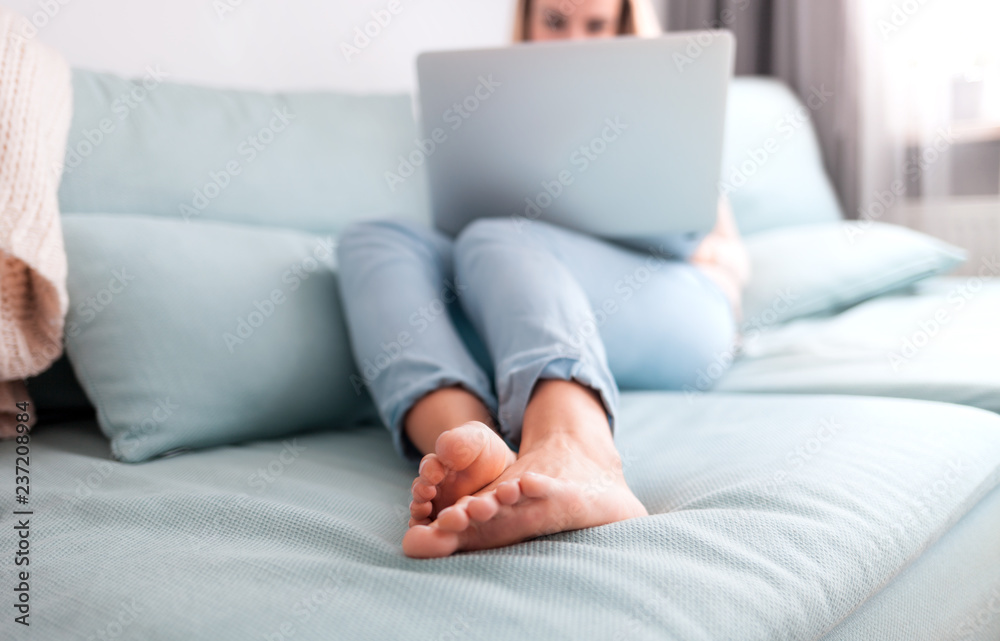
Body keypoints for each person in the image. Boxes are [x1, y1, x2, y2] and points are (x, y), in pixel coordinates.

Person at [336, 0, 750, 559]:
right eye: (555, 20)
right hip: (520, 292)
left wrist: (717, 260)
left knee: (496, 237)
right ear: (527, 18)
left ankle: (581, 452)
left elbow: (726, 251)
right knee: (375, 241)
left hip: (674, 301)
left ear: (623, 24)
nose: (574, 37)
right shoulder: (490, 105)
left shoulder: (657, 98)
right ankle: (471, 448)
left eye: (596, 23)